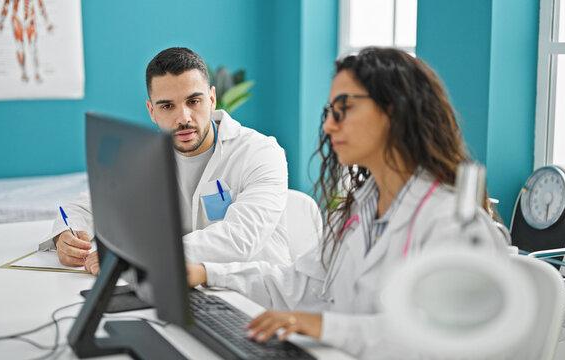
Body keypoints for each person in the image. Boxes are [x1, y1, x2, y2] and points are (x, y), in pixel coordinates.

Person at [186, 47, 509, 358]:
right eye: (330, 112)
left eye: (344, 108)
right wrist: (207, 273)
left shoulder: (452, 222)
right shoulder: (360, 210)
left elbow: (441, 340)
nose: (328, 125)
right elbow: (297, 285)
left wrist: (323, 326)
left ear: (393, 110)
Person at [39, 47, 291, 274]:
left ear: (212, 99)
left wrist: (137, 257)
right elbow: (87, 207)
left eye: (194, 101)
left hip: (259, 302)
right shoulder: (142, 159)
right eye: (167, 106)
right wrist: (66, 235)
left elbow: (241, 237)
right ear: (151, 111)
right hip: (192, 293)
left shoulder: (260, 153)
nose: (183, 117)